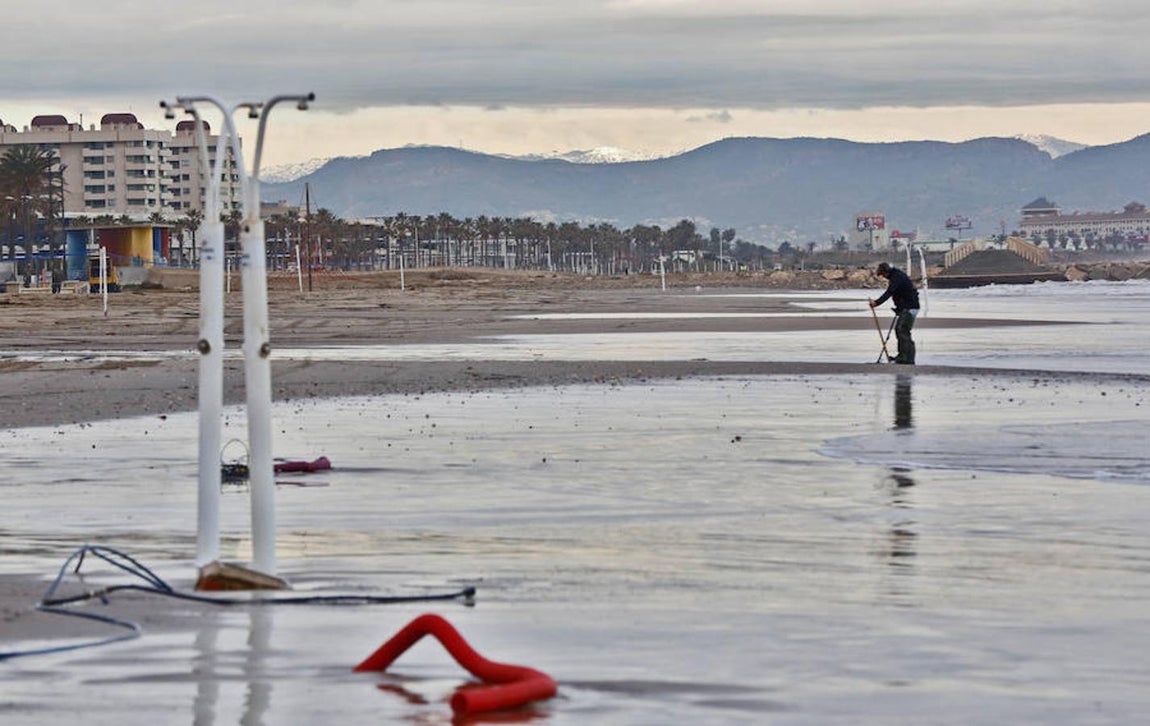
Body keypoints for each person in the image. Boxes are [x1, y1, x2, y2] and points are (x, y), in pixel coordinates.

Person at [869, 262, 920, 364]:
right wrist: (899, 308)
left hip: (910, 308)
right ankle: (903, 355)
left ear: (886, 272)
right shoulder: (896, 276)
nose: (884, 277)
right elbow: (899, 294)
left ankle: (907, 358)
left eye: (883, 275)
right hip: (906, 307)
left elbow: (890, 292)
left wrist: (876, 303)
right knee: (901, 330)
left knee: (902, 330)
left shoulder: (897, 277)